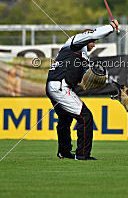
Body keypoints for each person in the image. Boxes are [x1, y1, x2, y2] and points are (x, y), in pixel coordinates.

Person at [46, 19, 119, 160]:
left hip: (54, 85)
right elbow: (93, 34)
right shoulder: (75, 42)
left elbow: (81, 80)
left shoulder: (81, 56)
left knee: (65, 120)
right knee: (85, 117)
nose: (94, 43)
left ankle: (64, 152)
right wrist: (111, 27)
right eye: (92, 41)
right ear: (86, 37)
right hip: (60, 87)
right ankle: (82, 155)